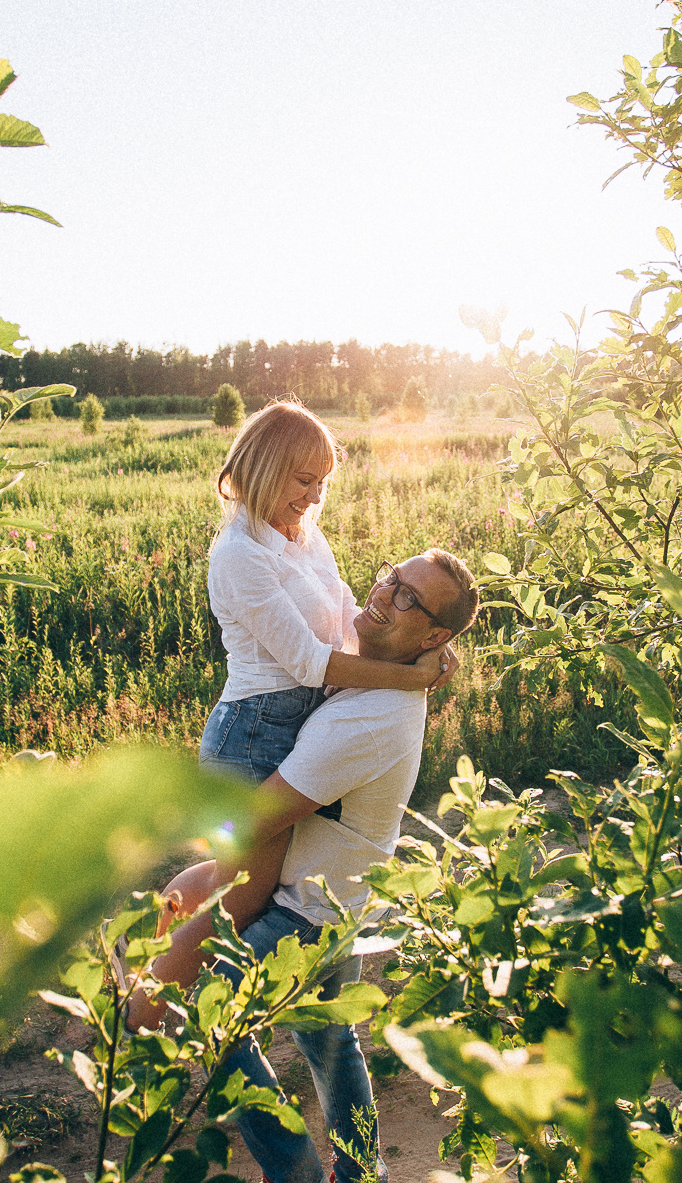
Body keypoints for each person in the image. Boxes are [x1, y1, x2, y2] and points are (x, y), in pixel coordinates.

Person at [158, 549, 481, 1183]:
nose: (384, 594)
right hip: (336, 900)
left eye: (408, 599)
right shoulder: (375, 674)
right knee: (333, 1049)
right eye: (393, 577)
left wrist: (195, 834)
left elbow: (252, 818)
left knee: (207, 1016)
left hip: (303, 911)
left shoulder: (370, 719)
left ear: (434, 638)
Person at [125, 401, 453, 1021]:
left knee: (237, 881)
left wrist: (424, 648)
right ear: (265, 467)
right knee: (241, 901)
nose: (314, 495)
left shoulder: (302, 536)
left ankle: (149, 938)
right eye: (304, 480)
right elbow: (310, 662)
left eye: (323, 481)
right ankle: (136, 1028)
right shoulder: (240, 555)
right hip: (253, 732)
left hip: (287, 724)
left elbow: (344, 617)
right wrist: (410, 679)